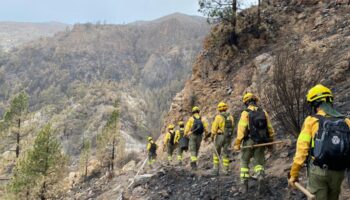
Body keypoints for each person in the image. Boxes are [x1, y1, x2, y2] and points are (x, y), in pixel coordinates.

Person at [288, 84, 350, 200]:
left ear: (314, 104)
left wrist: (294, 174)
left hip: (318, 171)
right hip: (339, 172)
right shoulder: (346, 121)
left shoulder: (311, 121)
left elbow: (302, 151)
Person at [233, 93, 275, 193]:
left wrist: (238, 143)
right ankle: (260, 177)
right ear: (255, 101)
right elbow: (270, 129)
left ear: (246, 102)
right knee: (259, 162)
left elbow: (241, 130)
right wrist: (270, 142)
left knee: (244, 162)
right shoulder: (263, 112)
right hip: (261, 141)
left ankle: (244, 185)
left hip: (248, 141)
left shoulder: (245, 113)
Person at [211, 102, 235, 176]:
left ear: (219, 109)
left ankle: (215, 170)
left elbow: (214, 128)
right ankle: (226, 170)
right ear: (226, 108)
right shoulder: (230, 117)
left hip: (220, 136)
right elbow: (233, 126)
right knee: (226, 154)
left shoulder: (218, 117)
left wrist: (212, 136)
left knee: (216, 152)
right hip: (228, 137)